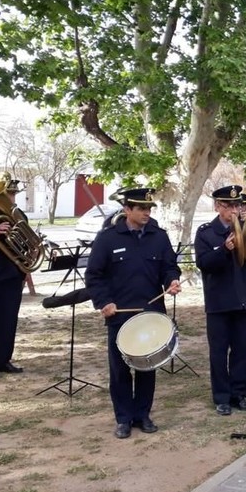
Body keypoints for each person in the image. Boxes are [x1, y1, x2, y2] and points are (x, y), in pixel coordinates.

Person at [85, 187, 182, 439]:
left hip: (151, 313)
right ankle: (123, 418)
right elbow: (94, 275)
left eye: (149, 209)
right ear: (127, 209)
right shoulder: (108, 238)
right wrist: (103, 302)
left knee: (147, 368)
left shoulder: (159, 237)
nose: (146, 213)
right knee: (119, 370)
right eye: (141, 209)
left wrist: (172, 281)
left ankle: (142, 415)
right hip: (119, 315)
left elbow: (169, 267)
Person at [195, 185, 246, 416]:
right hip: (219, 302)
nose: (235, 210)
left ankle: (240, 394)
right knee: (218, 352)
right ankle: (221, 397)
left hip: (244, 299)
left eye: (238, 205)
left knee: (240, 351)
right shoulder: (206, 232)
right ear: (218, 206)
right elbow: (204, 263)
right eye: (229, 206)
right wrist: (225, 250)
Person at [0, 175, 29, 379]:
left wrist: (23, 273)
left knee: (8, 321)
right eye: (8, 194)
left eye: (13, 194)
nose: (12, 198)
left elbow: (27, 243)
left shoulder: (17, 214)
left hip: (11, 276)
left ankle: (3, 360)